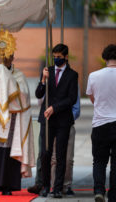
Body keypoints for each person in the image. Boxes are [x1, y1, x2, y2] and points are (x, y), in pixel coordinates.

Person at [86, 44, 116, 202]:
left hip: (101, 123)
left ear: (105, 58)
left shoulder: (93, 76)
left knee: (99, 161)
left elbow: (93, 99)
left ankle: (99, 190)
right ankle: (113, 195)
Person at [0, 54, 35, 195]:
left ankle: (7, 186)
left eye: (7, 55)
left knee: (9, 152)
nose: (4, 58)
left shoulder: (18, 75)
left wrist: (9, 84)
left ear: (13, 57)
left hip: (13, 120)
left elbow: (24, 95)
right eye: (1, 55)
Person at [35, 43, 78, 198]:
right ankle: (46, 186)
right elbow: (39, 94)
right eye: (54, 57)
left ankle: (58, 187)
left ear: (66, 57)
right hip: (47, 119)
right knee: (45, 154)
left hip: (63, 120)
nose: (56, 59)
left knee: (60, 155)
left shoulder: (72, 75)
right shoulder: (48, 71)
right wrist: (43, 80)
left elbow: (72, 98)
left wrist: (55, 107)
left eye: (59, 57)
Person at [27, 89, 80, 196]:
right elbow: (40, 100)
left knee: (66, 158)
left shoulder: (70, 78)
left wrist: (65, 120)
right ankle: (46, 185)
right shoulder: (46, 79)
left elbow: (76, 108)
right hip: (48, 123)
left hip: (65, 124)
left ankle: (64, 186)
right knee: (45, 155)